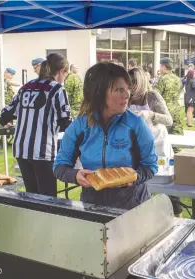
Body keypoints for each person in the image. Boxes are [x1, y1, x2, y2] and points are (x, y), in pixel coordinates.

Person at [54, 62, 157, 210]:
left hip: (133, 206)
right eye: (119, 90)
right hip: (93, 206)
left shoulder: (136, 125)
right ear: (99, 92)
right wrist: (75, 175)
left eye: (128, 89)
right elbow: (60, 166)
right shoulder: (80, 126)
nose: (127, 94)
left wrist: (134, 178)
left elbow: (150, 166)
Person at [0, 53, 72, 197]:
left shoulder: (26, 87)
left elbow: (4, 117)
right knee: (47, 197)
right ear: (62, 70)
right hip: (43, 150)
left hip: (21, 148)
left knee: (31, 194)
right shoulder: (57, 89)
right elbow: (66, 122)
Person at [128, 67, 178, 214]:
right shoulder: (127, 98)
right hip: (139, 146)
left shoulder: (152, 96)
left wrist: (151, 114)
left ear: (141, 82)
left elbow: (169, 120)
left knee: (168, 187)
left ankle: (177, 215)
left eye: (134, 83)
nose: (131, 87)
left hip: (158, 144)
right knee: (142, 183)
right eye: (129, 83)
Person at [154, 57, 183, 138]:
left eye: (160, 66)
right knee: (177, 133)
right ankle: (178, 150)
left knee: (162, 134)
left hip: (165, 110)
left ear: (164, 66)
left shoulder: (162, 79)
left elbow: (155, 95)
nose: (160, 68)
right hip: (176, 109)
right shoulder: (177, 79)